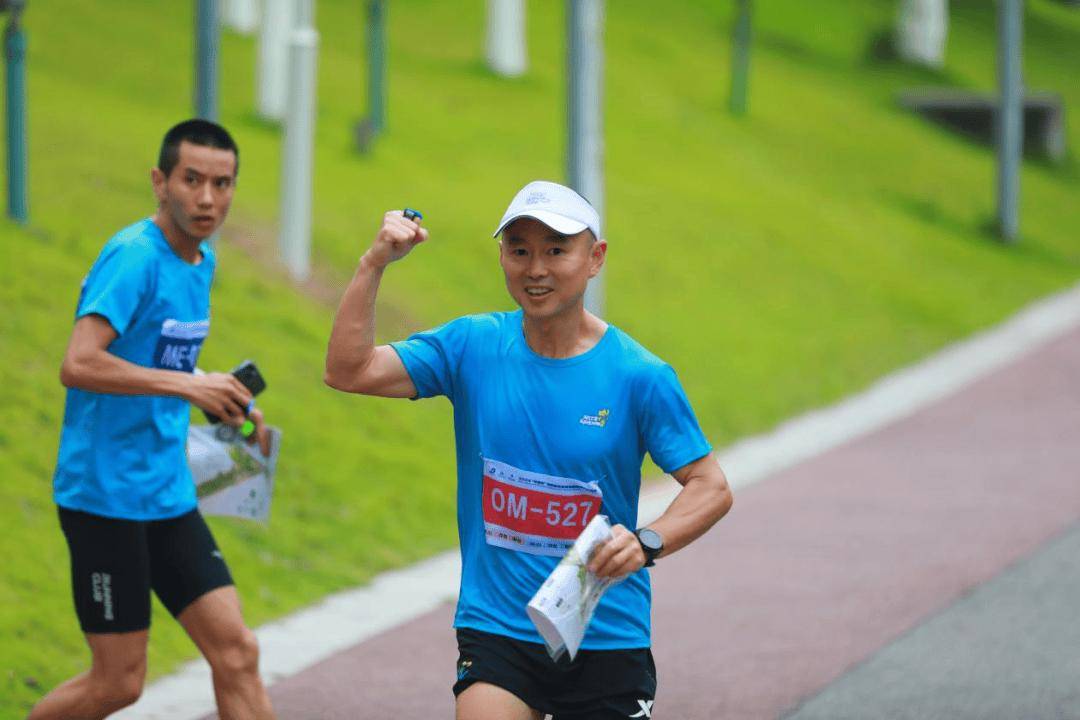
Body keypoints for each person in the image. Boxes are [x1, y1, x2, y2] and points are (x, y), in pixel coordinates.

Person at [325, 181, 733, 719]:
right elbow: (348, 370)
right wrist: (374, 263)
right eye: (520, 250)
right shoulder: (471, 346)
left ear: (595, 258)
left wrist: (646, 542)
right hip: (498, 630)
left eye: (556, 250)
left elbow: (711, 486)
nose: (536, 268)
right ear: (502, 257)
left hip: (605, 636)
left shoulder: (640, 376)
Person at [29, 120, 276, 720]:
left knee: (237, 652)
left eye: (222, 183)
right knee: (118, 682)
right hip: (104, 497)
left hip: (166, 492)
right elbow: (79, 361)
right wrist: (190, 384)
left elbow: (161, 357)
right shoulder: (135, 256)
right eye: (192, 180)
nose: (207, 198)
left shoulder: (200, 260)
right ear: (160, 182)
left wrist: (221, 399)